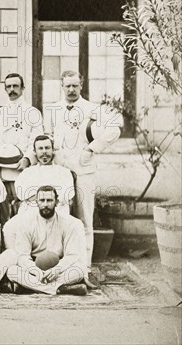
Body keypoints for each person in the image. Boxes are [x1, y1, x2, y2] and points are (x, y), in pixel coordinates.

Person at [44, 70, 121, 271]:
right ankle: (58, 265)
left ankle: (84, 267)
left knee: (85, 219)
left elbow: (115, 128)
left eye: (75, 85)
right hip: (60, 171)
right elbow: (47, 136)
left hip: (84, 170)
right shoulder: (52, 109)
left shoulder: (92, 108)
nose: (71, 89)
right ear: (61, 86)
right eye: (67, 85)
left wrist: (92, 148)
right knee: (58, 216)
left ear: (81, 85)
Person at [2, 186, 88, 295]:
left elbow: (72, 255)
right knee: (12, 271)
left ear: (56, 202)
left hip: (59, 268)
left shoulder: (69, 223)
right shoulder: (26, 223)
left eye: (50, 200)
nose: (45, 204)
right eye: (42, 200)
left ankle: (30, 288)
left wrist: (57, 269)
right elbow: (22, 255)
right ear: (36, 202)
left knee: (79, 270)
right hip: (35, 269)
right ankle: (58, 289)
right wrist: (34, 270)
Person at [0, 73, 43, 220]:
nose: (12, 89)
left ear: (22, 88)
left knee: (23, 209)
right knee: (3, 212)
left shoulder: (33, 113)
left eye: (15, 86)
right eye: (8, 86)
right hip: (0, 169)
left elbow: (36, 141)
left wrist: (28, 159)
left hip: (23, 168)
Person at [3, 135, 76, 249]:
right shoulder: (27, 173)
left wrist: (36, 195)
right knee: (9, 227)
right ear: (35, 152)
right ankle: (17, 257)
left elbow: (66, 195)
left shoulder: (64, 172)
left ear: (53, 150)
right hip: (30, 213)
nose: (44, 152)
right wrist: (52, 191)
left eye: (47, 148)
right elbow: (22, 194)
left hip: (55, 212)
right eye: (40, 149)